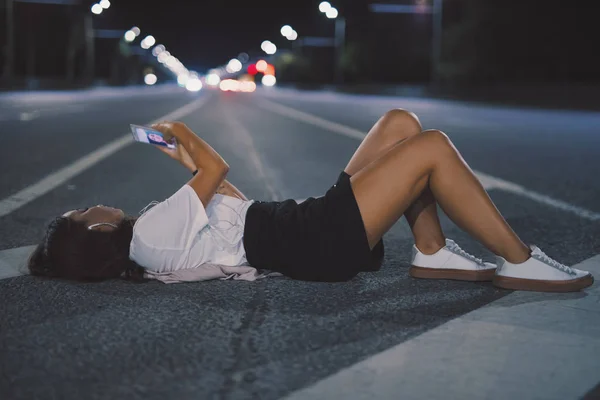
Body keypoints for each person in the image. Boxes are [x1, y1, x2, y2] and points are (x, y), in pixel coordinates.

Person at [29, 110, 594, 292]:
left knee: (400, 125)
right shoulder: (150, 235)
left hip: (303, 226)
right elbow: (218, 168)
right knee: (431, 150)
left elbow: (229, 200)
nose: (95, 205)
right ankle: (521, 262)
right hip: (314, 237)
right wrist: (182, 130)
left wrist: (182, 160)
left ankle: (431, 249)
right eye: (85, 213)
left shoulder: (158, 236)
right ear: (97, 233)